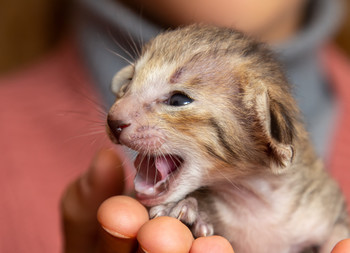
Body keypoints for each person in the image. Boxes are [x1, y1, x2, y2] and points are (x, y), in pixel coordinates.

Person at [1, 0, 349, 252]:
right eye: (128, 85)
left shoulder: (322, 214)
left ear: (268, 133)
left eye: (179, 100)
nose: (117, 112)